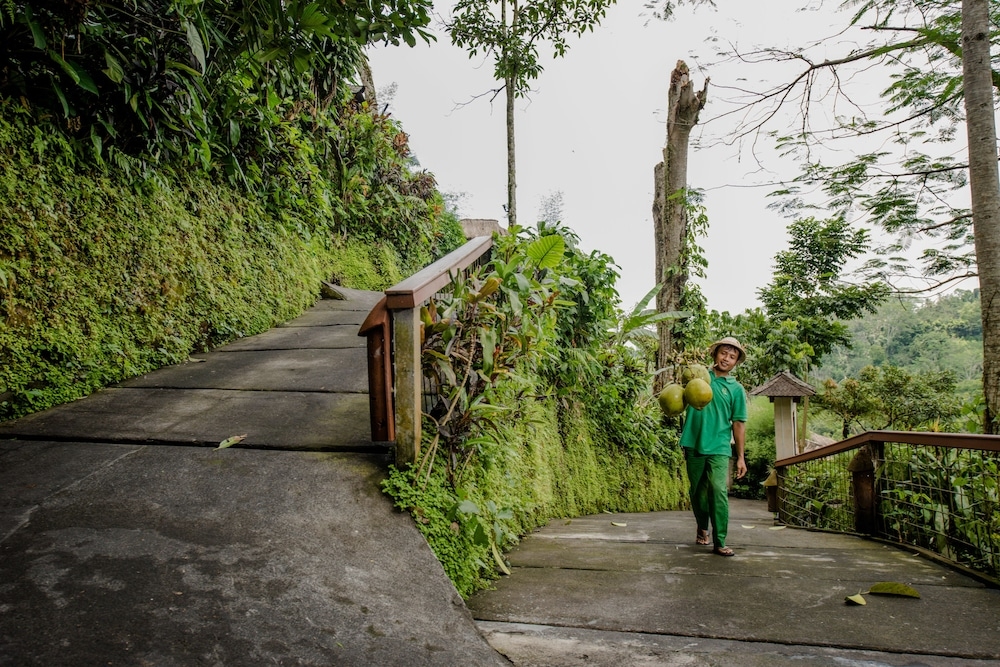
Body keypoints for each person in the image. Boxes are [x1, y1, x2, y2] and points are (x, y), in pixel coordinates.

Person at [679, 336, 748, 557]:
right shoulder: (699, 376)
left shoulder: (736, 389)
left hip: (719, 446)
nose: (726, 358)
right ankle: (702, 526)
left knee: (718, 490)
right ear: (715, 354)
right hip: (693, 442)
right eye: (723, 353)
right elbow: (679, 398)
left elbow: (738, 423)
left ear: (736, 362)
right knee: (698, 493)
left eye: (732, 356)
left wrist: (740, 457)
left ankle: (720, 541)